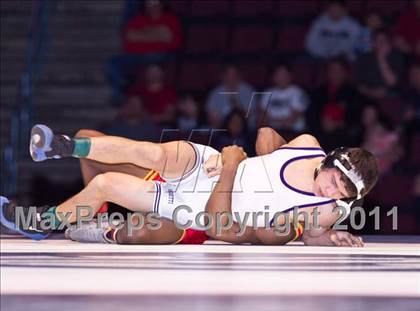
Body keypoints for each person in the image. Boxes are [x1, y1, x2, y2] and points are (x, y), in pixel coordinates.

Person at [1, 124, 377, 247]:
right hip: (209, 167)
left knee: (106, 183)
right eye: (333, 181)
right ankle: (64, 145)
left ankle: (44, 223)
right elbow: (266, 138)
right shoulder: (309, 145)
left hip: (203, 205)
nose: (331, 192)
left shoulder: (327, 208)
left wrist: (328, 235)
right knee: (151, 153)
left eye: (343, 194)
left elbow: (221, 225)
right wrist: (245, 160)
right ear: (329, 161)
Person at [107, 0, 182, 103]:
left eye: (155, 3)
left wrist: (142, 35)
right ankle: (122, 90)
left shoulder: (170, 19)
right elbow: (129, 41)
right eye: (149, 3)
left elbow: (172, 41)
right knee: (112, 63)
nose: (152, 6)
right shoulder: (139, 19)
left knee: (154, 56)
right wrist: (158, 35)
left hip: (163, 55)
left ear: (161, 4)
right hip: (138, 56)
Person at [309, 58, 362, 144]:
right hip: (320, 132)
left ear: (345, 73)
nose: (335, 73)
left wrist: (338, 124)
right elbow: (312, 114)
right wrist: (322, 122)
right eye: (332, 70)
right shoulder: (318, 93)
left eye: (339, 70)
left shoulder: (354, 93)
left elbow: (356, 118)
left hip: (344, 135)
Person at [259, 64, 309, 137]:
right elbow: (261, 121)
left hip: (294, 133)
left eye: (284, 74)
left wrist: (271, 120)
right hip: (271, 134)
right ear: (273, 77)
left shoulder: (298, 93)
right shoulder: (267, 93)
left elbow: (291, 122)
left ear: (291, 75)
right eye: (278, 74)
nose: (281, 77)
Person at [355, 29, 403, 101]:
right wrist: (371, 93)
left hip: (390, 96)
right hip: (367, 95)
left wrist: (381, 58)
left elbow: (391, 82)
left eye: (385, 41)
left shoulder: (396, 57)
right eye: (379, 41)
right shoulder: (363, 58)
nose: (382, 44)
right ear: (373, 43)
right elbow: (359, 84)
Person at [206, 63, 256, 129]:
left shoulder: (249, 91)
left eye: (234, 75)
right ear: (222, 76)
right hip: (221, 131)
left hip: (245, 131)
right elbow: (212, 118)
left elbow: (249, 115)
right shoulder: (215, 93)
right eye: (228, 75)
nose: (231, 78)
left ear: (239, 75)